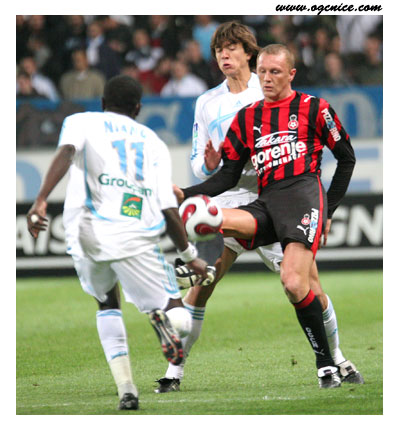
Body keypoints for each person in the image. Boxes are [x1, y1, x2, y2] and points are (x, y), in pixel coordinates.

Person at [160, 37, 362, 391]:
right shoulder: (237, 113)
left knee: (299, 285)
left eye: (275, 72)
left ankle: (334, 361)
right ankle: (175, 362)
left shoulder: (313, 107)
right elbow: (226, 175)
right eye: (263, 72)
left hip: (300, 200)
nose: (267, 78)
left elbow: (346, 158)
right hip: (256, 202)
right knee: (205, 254)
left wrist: (327, 209)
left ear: (290, 74)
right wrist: (185, 194)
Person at [26, 75, 208, 410]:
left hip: (85, 231)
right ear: (138, 108)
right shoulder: (153, 142)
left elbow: (66, 152)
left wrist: (40, 199)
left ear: (102, 103)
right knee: (177, 314)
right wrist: (188, 254)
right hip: (133, 234)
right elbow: (168, 207)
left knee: (107, 302)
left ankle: (127, 390)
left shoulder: (81, 121)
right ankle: (164, 320)